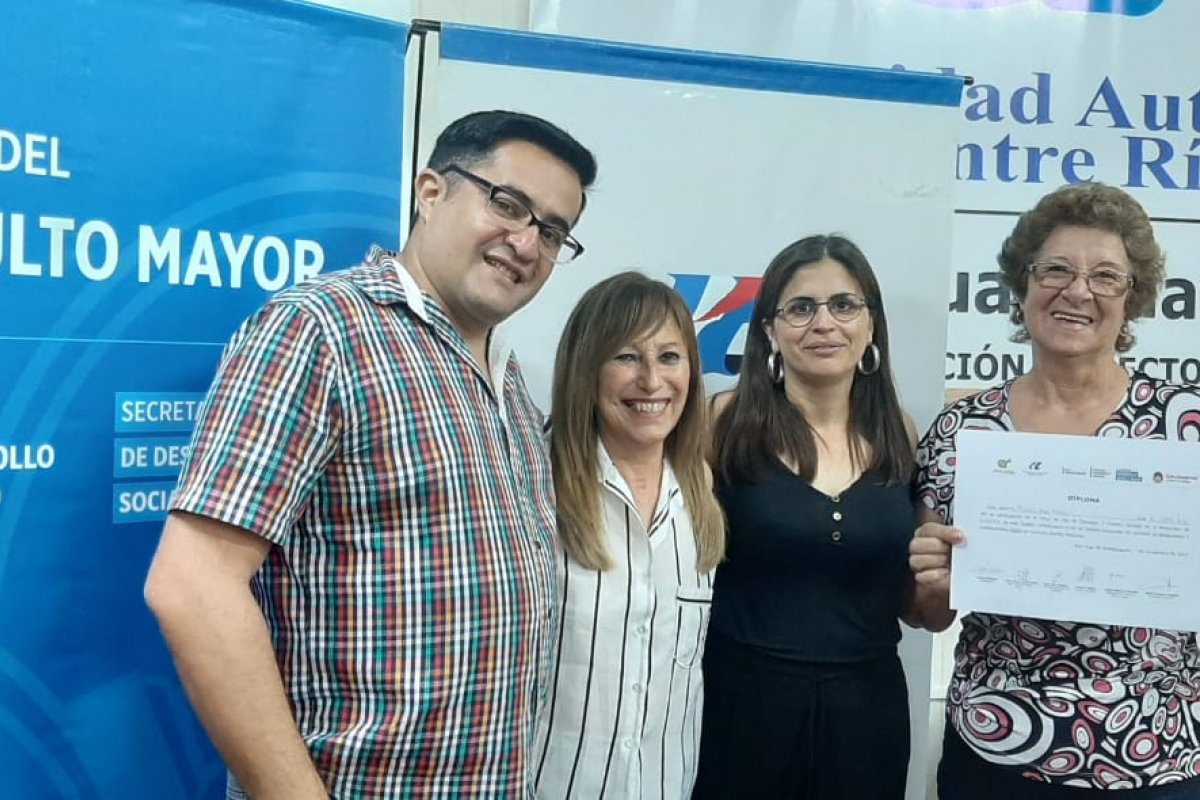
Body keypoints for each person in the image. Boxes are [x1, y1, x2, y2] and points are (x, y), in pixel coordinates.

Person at [142, 110, 597, 799]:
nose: (527, 242)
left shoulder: (506, 379)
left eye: (553, 231)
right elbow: (192, 585)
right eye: (507, 204)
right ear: (431, 192)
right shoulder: (319, 330)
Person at [909, 182, 1200, 797]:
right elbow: (928, 614)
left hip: (1157, 755)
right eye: (1056, 270)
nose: (1078, 291)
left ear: (1133, 298)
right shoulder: (962, 431)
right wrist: (931, 582)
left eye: (1106, 277)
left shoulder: (1187, 425)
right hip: (996, 753)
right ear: (1023, 285)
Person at [693, 234, 920, 799]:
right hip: (743, 709)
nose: (824, 323)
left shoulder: (901, 433)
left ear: (870, 324)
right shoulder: (721, 422)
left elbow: (917, 599)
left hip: (869, 714)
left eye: (844, 305)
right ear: (770, 330)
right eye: (801, 308)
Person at [532, 271, 725, 799]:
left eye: (669, 357)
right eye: (626, 356)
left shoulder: (702, 495)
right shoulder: (533, 484)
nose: (651, 380)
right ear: (586, 369)